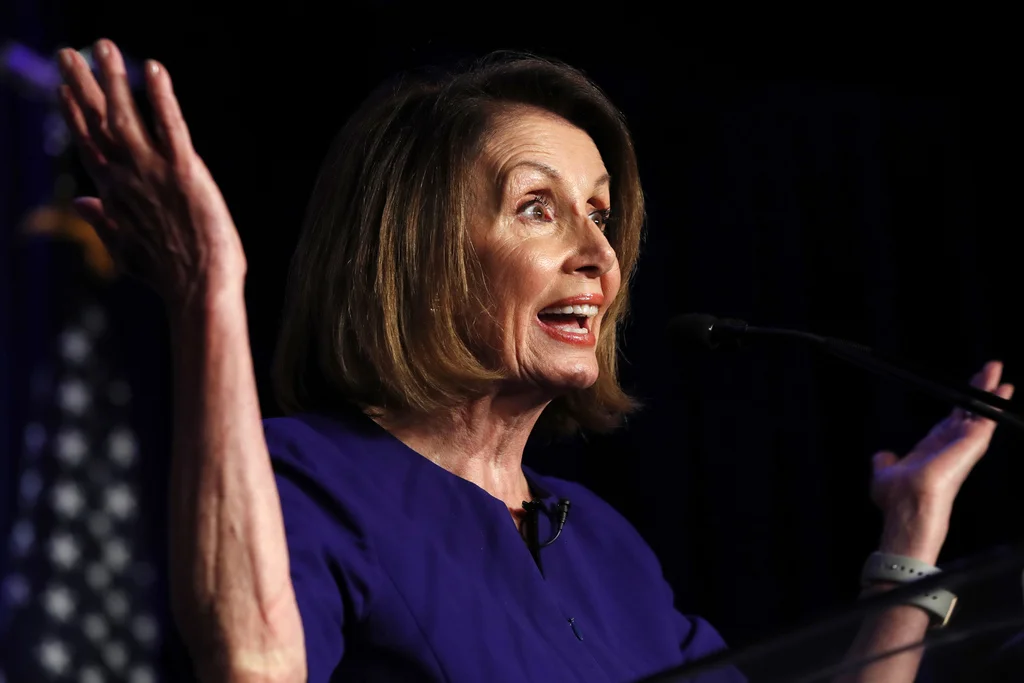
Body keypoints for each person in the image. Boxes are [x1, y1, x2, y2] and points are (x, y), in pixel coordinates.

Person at [54, 38, 1013, 683]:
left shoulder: (604, 544)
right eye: (536, 207)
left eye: (600, 213)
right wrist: (208, 292)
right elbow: (254, 662)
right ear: (417, 250)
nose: (600, 254)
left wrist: (912, 533)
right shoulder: (302, 477)